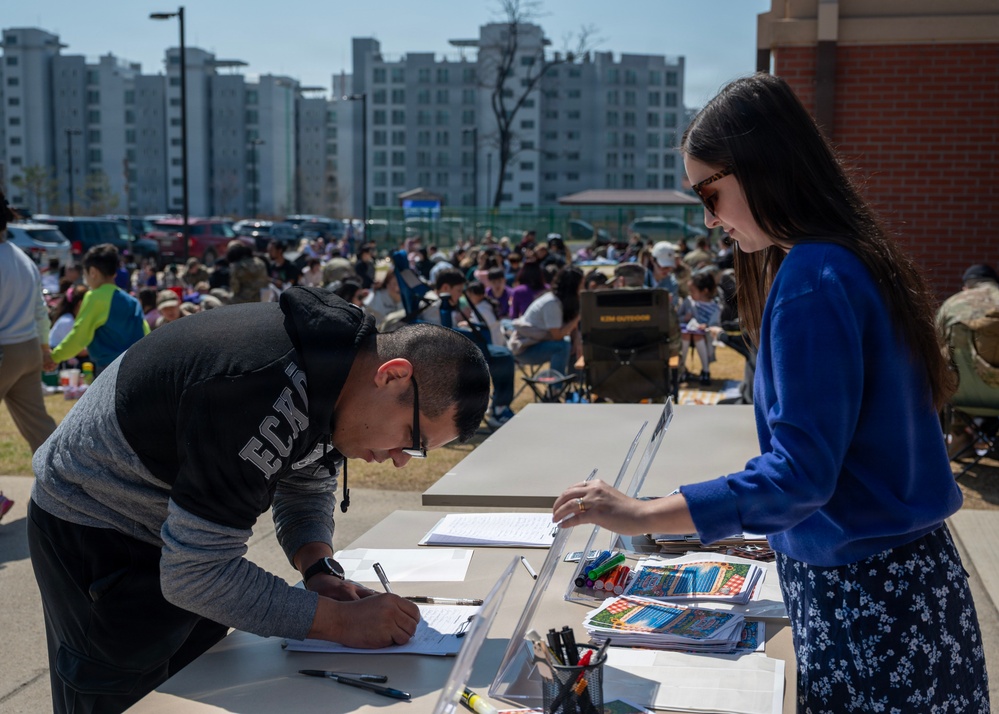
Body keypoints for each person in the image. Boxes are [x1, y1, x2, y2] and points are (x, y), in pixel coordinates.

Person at [552, 73, 988, 713]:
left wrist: (643, 514)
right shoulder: (846, 257)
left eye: (711, 192)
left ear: (763, 170)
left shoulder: (811, 276)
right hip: (905, 582)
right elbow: (853, 459)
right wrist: (776, 530)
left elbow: (800, 478)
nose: (709, 218)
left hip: (865, 598)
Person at [29, 287, 492, 714]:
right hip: (97, 519)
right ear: (393, 376)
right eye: (411, 439)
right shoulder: (253, 386)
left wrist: (318, 568)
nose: (399, 462)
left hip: (177, 524)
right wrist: (338, 623)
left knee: (202, 679)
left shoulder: (340, 373)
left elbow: (306, 477)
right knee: (121, 689)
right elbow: (197, 575)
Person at [0, 192, 58, 453]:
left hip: (5, 350)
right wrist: (45, 349)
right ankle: (67, 485)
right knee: (40, 428)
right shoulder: (22, 258)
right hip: (29, 347)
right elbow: (39, 311)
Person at [50, 243, 148, 376]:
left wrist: (55, 357)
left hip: (110, 370)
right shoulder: (132, 300)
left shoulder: (94, 297)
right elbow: (145, 332)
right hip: (140, 367)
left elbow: (79, 335)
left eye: (85, 275)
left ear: (93, 272)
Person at [508, 266, 583, 376]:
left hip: (539, 342)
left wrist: (577, 339)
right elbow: (557, 336)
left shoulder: (563, 300)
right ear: (573, 286)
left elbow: (571, 326)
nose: (583, 288)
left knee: (573, 343)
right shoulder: (552, 303)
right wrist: (577, 318)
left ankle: (573, 381)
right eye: (581, 284)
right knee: (562, 346)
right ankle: (556, 387)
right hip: (524, 349)